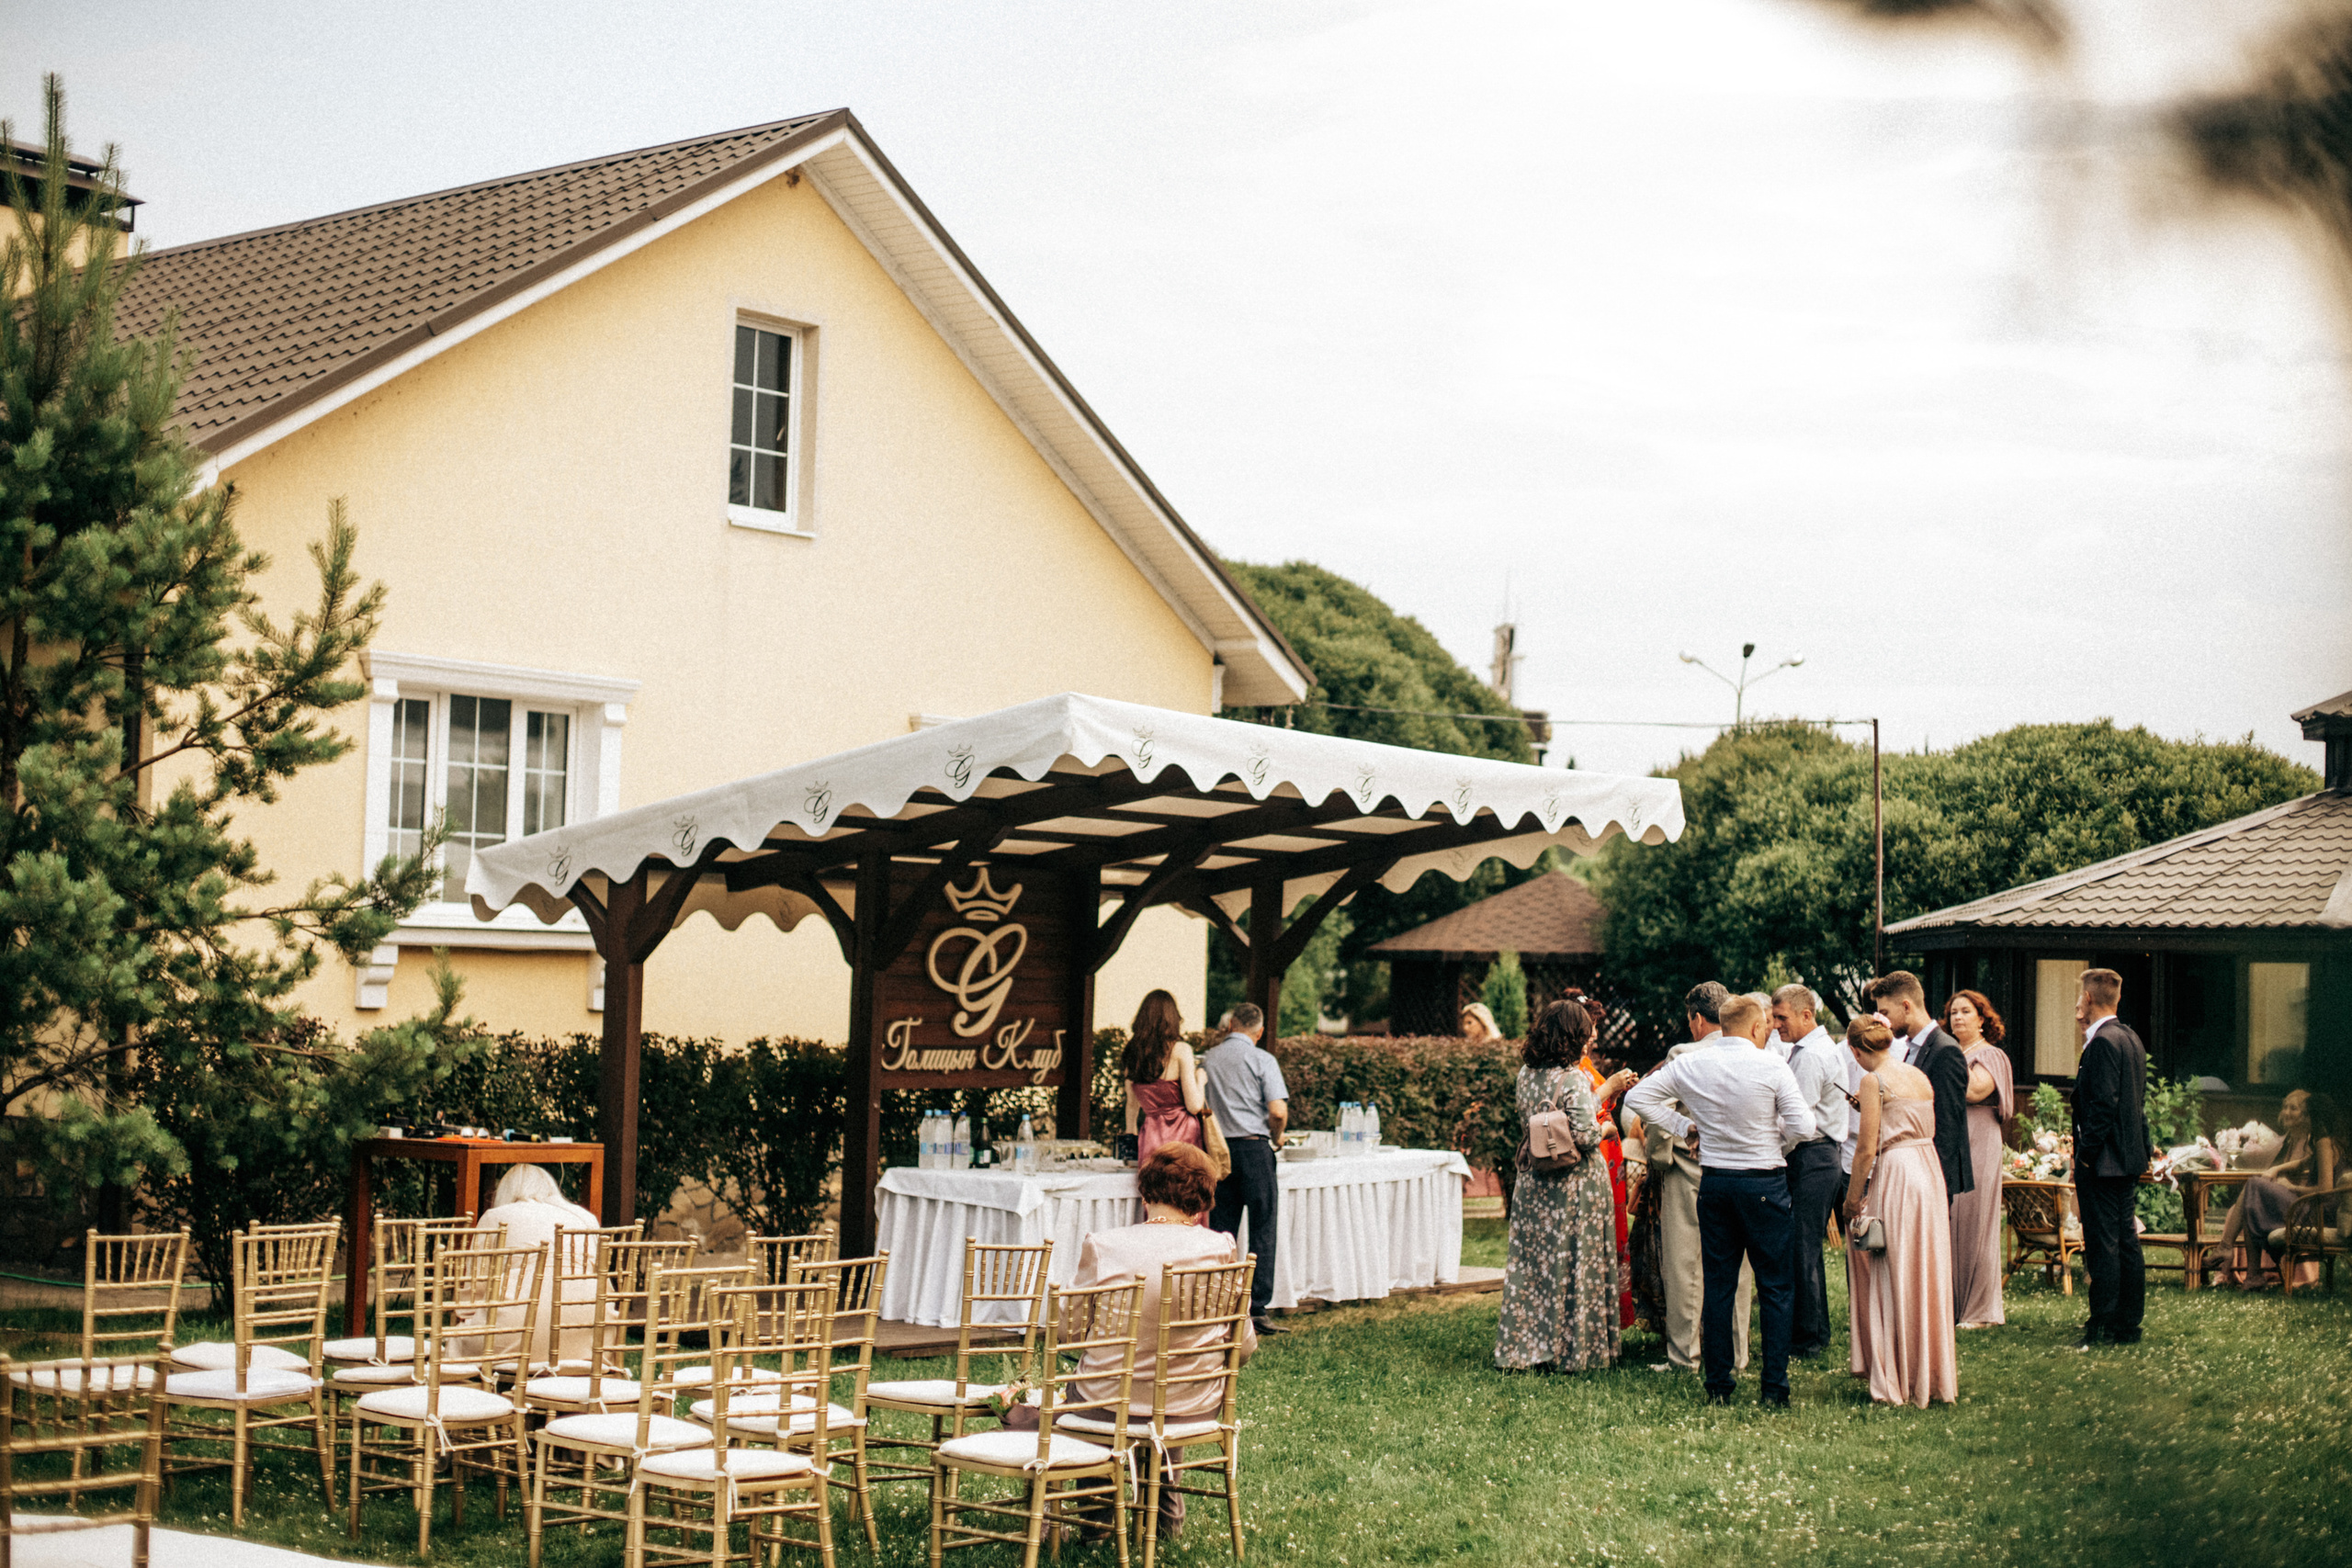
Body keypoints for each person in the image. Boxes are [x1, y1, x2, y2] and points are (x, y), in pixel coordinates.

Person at [1625, 993, 1814, 1407]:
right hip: (1764, 1182)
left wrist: (1685, 1126)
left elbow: (1636, 1099)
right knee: (1776, 1286)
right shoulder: (1771, 1065)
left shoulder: (1691, 1063)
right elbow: (1804, 1124)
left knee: (1718, 1284)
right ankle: (1774, 1389)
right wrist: (1776, 1145)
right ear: (1754, 1027)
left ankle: (1719, 1387)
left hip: (1715, 1184)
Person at [1067, 1143, 1256, 1539]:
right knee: (1164, 1389)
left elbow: (1069, 1333)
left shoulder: (1105, 1244)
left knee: (1092, 1386)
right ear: (1203, 1201)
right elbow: (1244, 1346)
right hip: (1193, 1406)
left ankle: (1097, 1521)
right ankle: (1164, 1518)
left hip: (1109, 1403)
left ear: (1144, 1191)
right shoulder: (1221, 1248)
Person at [1493, 1000, 1624, 1372]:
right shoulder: (1574, 1079)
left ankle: (1527, 1349)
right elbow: (1583, 1136)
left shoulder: (1525, 1074)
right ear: (1573, 1036)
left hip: (1535, 1181)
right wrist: (1607, 1129)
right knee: (1576, 1265)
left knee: (1534, 1266)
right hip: (1574, 1186)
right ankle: (1577, 1350)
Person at [1841, 1014, 1957, 1407]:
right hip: (1928, 1170)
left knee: (1892, 1268)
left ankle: (1898, 1374)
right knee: (1925, 1269)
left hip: (1898, 1174)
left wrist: (1853, 1199)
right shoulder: (1919, 1077)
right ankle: (1927, 1370)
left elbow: (1865, 1149)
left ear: (1856, 1051)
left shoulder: (1872, 1080)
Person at [1640, 982, 1752, 1374]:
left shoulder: (1683, 1054)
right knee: (1737, 1266)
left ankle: (1684, 1356)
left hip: (1691, 1170)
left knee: (1686, 1265)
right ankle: (1738, 1355)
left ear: (1698, 1019)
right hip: (1741, 1170)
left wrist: (1661, 1156)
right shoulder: (1754, 1053)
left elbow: (1654, 1106)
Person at [2071, 967, 2152, 1349]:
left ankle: (2103, 1322)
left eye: (2078, 996)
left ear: (2088, 998)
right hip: (2126, 1157)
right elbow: (2139, 1105)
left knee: (2103, 1244)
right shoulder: (2131, 1038)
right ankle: (2127, 1323)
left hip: (2103, 1161)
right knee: (2126, 1240)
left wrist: (2085, 1156)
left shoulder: (2102, 1042)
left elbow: (2104, 1106)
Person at [1202, 1002, 1289, 1336]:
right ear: (1260, 1031)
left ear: (1230, 1025)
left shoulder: (1208, 1059)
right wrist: (1277, 1139)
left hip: (1220, 1150)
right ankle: (1256, 1308)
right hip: (1254, 1147)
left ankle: (1218, 1304)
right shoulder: (1263, 1060)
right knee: (1262, 1226)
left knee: (1222, 1228)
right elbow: (1278, 1112)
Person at [1770, 984, 1847, 1359]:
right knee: (1807, 1248)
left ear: (1806, 1014)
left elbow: (1795, 1123)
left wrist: (1767, 1152)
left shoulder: (1811, 1057)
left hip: (1811, 1156)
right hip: (1819, 1156)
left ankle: (1807, 1339)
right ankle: (1814, 1330)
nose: (1775, 1025)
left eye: (1782, 1017)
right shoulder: (1813, 1049)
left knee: (1802, 1248)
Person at [2206, 1088, 2344, 1289]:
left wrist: (2293, 1187)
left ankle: (2233, 1254)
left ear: (2315, 1116)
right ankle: (2251, 1273)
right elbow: (2302, 1164)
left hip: (2319, 1213)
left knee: (2253, 1187)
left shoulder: (2324, 1142)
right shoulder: (2321, 1141)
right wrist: (2277, 1169)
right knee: (2252, 1197)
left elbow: (2326, 1189)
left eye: (2306, 1114)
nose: (2303, 1118)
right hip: (2312, 1209)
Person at [473, 1165, 602, 1369]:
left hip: (519, 1334)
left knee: (459, 1341)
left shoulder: (495, 1217)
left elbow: (475, 1291)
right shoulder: (586, 1219)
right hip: (593, 1335)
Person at [1866, 972, 1973, 1206]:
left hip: (1930, 1178)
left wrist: (1932, 1184)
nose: (1882, 1021)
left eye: (1885, 1013)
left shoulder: (1945, 1051)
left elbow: (1948, 1127)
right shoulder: (1911, 1048)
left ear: (1906, 1006)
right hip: (1912, 1174)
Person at [1943, 989, 2015, 1326]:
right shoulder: (1951, 1052)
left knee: (1976, 1220)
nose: (1957, 1017)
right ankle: (1953, 1304)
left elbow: (1974, 1090)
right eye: (1953, 1012)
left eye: (1966, 1012)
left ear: (1982, 1018)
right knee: (1952, 1219)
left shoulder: (1992, 1055)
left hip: (1980, 1136)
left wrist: (1944, 1064)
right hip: (1950, 1138)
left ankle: (1982, 1310)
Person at [1124, 988, 1205, 1165]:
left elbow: (1132, 1105)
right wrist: (1201, 1080)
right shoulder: (1181, 1050)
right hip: (1183, 1138)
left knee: (1154, 1188)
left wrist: (1131, 1140)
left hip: (1151, 1136)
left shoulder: (1133, 1053)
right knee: (1184, 1188)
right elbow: (1194, 1106)